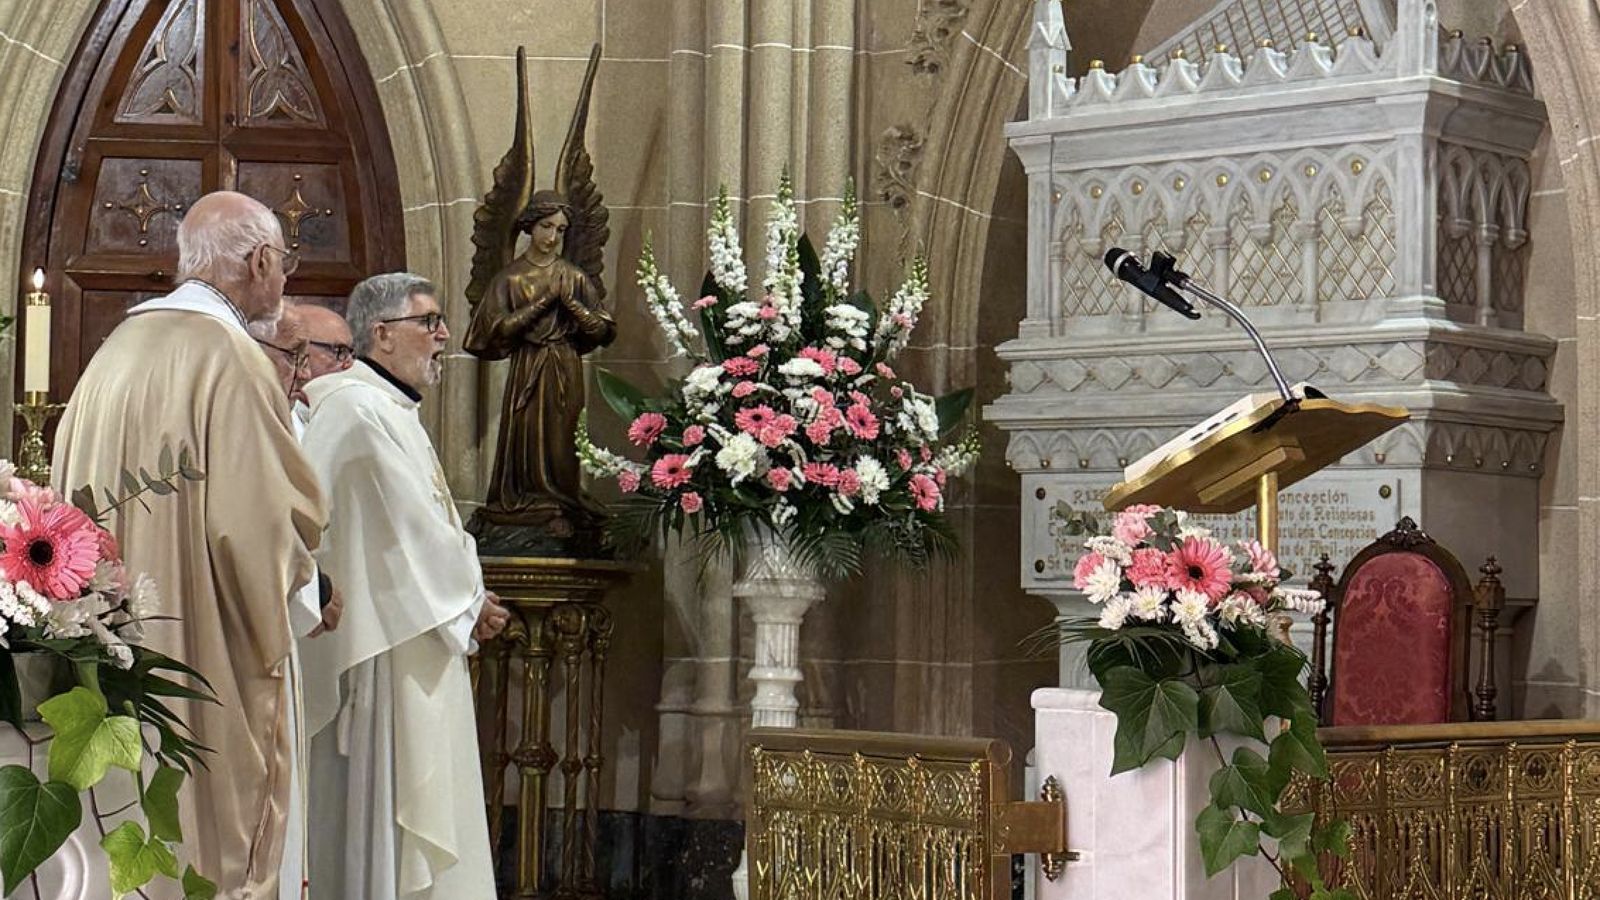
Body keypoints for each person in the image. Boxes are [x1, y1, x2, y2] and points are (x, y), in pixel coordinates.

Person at [52, 191, 325, 898]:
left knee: (124, 835)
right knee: (207, 840)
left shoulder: (112, 354)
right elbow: (261, 532)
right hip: (202, 657)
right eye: (283, 262)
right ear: (260, 261)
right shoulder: (231, 358)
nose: (283, 277)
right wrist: (309, 584)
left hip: (110, 655)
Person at [299, 273, 510, 899]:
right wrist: (470, 600)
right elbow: (409, 525)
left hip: (418, 630)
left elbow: (427, 523)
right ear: (382, 333)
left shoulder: (392, 409)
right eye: (429, 321)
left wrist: (468, 597)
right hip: (386, 649)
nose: (443, 335)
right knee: (390, 813)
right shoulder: (355, 407)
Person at [247, 306, 344, 899]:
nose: (303, 373)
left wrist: (315, 586)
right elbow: (253, 524)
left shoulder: (289, 417)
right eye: (294, 357)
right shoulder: (248, 416)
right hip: (252, 634)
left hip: (285, 622)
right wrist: (316, 590)